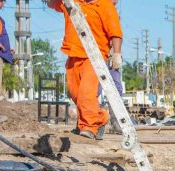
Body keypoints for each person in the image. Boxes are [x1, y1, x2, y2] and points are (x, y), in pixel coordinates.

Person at [46, 0, 123, 140]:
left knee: (86, 93)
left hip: (94, 56)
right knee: (75, 93)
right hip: (74, 54)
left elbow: (115, 32)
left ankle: (89, 127)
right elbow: (51, 4)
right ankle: (100, 117)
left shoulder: (105, 6)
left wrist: (117, 54)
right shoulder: (71, 2)